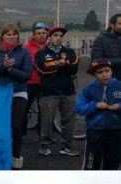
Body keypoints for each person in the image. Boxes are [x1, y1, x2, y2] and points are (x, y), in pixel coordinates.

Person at [0, 23, 33, 170]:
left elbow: (26, 75)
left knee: (16, 126)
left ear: (18, 36)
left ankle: (15, 157)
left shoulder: (24, 52)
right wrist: (3, 67)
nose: (11, 37)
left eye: (14, 34)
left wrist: (10, 70)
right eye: (8, 34)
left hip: (18, 91)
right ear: (2, 36)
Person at [35, 26, 80, 157]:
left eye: (61, 35)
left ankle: (66, 146)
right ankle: (45, 146)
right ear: (50, 37)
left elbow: (74, 69)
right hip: (49, 92)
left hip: (68, 91)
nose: (58, 38)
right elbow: (42, 71)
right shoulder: (41, 53)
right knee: (47, 120)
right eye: (56, 35)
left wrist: (64, 65)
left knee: (69, 121)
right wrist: (57, 65)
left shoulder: (70, 52)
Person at [75, 60, 121, 170]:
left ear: (111, 71)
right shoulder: (89, 89)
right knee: (91, 166)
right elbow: (78, 108)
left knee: (112, 165)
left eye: (107, 71)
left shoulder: (119, 86)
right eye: (100, 72)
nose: (104, 74)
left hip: (116, 132)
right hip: (95, 132)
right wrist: (94, 105)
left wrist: (120, 105)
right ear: (95, 75)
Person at [24, 23, 50, 135]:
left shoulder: (51, 47)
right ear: (33, 35)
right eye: (38, 33)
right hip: (29, 83)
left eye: (44, 33)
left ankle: (42, 135)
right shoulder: (25, 48)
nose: (41, 35)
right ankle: (21, 133)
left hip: (45, 83)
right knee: (24, 109)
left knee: (44, 111)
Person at [91, 13, 121, 79]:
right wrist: (119, 61)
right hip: (109, 80)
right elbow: (96, 61)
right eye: (120, 24)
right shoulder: (100, 40)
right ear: (111, 25)